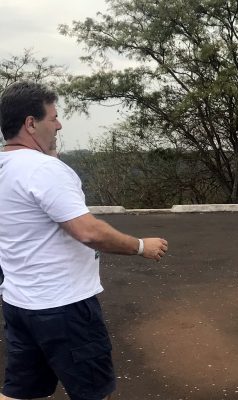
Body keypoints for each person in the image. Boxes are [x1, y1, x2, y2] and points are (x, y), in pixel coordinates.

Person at [0, 81, 169, 400]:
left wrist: (49, 156)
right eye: (53, 118)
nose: (59, 125)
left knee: (22, 393)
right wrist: (141, 246)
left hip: (19, 304)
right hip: (64, 307)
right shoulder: (44, 170)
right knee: (94, 393)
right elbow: (88, 231)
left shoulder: (7, 167)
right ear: (31, 123)